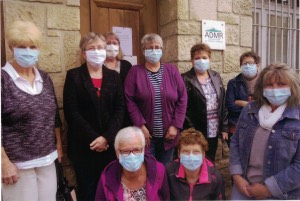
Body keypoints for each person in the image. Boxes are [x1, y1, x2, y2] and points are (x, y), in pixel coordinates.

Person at [1, 20, 62, 201]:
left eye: (32, 46)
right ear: (12, 47)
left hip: (47, 159)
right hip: (17, 165)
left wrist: (58, 145)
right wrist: (3, 162)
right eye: (22, 46)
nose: (28, 51)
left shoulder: (44, 77)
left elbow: (54, 115)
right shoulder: (3, 80)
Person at [63, 32, 124, 201]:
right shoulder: (74, 76)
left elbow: (120, 110)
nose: (97, 51)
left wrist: (106, 137)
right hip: (84, 147)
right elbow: (71, 112)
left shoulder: (114, 77)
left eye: (100, 48)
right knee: (88, 192)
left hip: (109, 147)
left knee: (110, 189)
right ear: (83, 53)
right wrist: (95, 138)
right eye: (92, 48)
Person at [230, 63, 300, 200]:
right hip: (244, 187)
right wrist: (237, 176)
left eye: (281, 84)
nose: (275, 89)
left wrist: (268, 189)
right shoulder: (249, 109)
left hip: (283, 193)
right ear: (261, 88)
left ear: (292, 87)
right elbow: (235, 142)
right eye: (269, 85)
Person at [124, 33, 187, 165]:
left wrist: (175, 125)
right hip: (145, 135)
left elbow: (182, 98)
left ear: (162, 50)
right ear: (143, 51)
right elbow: (129, 100)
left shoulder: (172, 70)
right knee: (148, 170)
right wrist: (140, 125)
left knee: (165, 172)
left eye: (157, 47)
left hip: (169, 134)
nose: (154, 50)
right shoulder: (134, 72)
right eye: (149, 47)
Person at [95, 126, 170, 201]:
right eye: (125, 151)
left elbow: (166, 198)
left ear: (143, 150)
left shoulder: (158, 170)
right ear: (117, 153)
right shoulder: (107, 177)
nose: (132, 155)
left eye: (137, 150)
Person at [182, 43, 228, 162]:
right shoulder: (185, 78)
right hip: (196, 129)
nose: (201, 60)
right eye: (197, 58)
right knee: (195, 159)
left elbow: (223, 102)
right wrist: (191, 130)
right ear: (192, 60)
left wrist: (224, 127)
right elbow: (183, 107)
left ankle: (208, 180)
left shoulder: (216, 76)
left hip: (213, 128)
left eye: (204, 58)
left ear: (209, 59)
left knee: (210, 160)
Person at [166, 128, 225, 200]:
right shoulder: (169, 172)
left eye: (196, 152)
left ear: (203, 154)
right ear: (179, 154)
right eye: (186, 152)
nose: (191, 156)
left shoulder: (215, 177)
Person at [225, 51, 260, 145]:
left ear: (257, 65)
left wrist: (241, 103)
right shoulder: (233, 83)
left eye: (251, 63)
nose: (248, 66)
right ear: (240, 66)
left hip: (259, 126)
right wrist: (253, 105)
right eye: (245, 63)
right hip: (237, 125)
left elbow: (265, 106)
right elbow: (230, 105)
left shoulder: (264, 82)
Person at [104, 32, 132, 127]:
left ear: (119, 46)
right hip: (105, 112)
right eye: (108, 43)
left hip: (125, 111)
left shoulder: (126, 65)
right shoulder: (98, 65)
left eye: (115, 43)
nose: (111, 46)